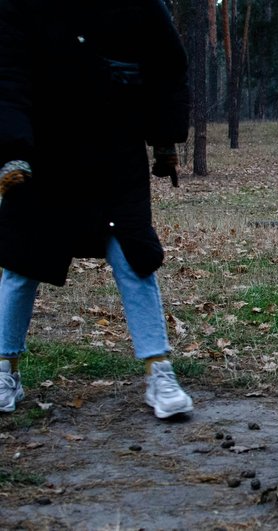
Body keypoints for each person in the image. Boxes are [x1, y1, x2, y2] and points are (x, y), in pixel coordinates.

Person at [0, 0, 193, 418]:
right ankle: (4, 371)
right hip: (41, 151)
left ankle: (159, 371)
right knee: (21, 262)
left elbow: (168, 62)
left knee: (133, 256)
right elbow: (8, 74)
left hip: (113, 149)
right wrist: (12, 146)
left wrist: (165, 135)